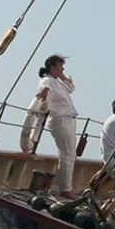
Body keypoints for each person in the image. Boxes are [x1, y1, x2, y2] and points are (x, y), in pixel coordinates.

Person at [35, 54, 78, 194]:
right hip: (60, 119)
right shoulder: (47, 80)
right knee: (67, 154)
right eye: (60, 66)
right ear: (52, 67)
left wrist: (63, 76)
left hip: (68, 119)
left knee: (69, 154)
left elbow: (71, 89)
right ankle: (65, 189)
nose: (62, 68)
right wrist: (44, 93)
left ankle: (65, 186)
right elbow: (45, 88)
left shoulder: (58, 82)